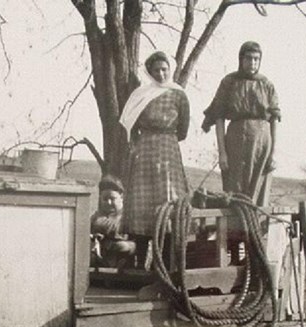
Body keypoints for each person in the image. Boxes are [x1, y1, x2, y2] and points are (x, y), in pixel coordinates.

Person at [201, 41, 280, 264]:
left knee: (257, 196)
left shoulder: (267, 85)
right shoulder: (229, 82)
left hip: (261, 142)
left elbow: (274, 120)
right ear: (240, 59)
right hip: (235, 139)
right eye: (248, 58)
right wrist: (222, 153)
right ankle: (235, 253)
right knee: (234, 195)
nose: (252, 63)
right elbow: (218, 117)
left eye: (256, 59)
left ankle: (253, 253)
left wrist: (273, 153)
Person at [120, 51, 190, 269]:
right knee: (142, 205)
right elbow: (129, 125)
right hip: (144, 153)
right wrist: (140, 144)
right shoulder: (141, 94)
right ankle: (139, 263)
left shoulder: (178, 95)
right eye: (156, 70)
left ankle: (164, 265)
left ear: (170, 70)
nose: (161, 74)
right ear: (149, 72)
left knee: (167, 204)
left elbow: (183, 130)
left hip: (168, 152)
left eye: (164, 69)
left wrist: (164, 138)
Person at [90, 175, 136, 271]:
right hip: (101, 259)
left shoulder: (128, 216)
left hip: (121, 258)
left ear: (121, 197)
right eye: (105, 199)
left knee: (122, 246)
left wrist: (102, 227)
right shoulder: (97, 215)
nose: (109, 202)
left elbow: (122, 230)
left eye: (112, 198)